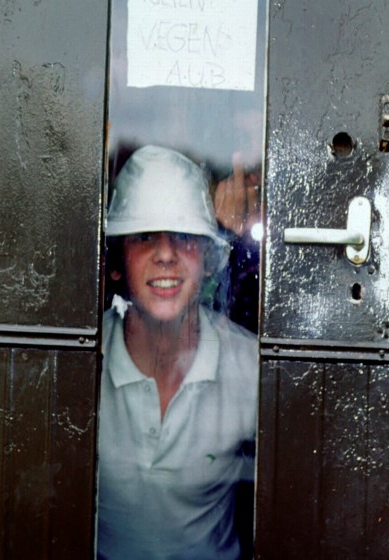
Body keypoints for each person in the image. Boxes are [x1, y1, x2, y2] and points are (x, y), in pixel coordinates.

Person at [96, 145, 259, 560]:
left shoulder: (250, 365)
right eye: (145, 236)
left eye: (184, 237)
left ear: (207, 259)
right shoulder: (85, 361)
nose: (166, 254)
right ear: (117, 262)